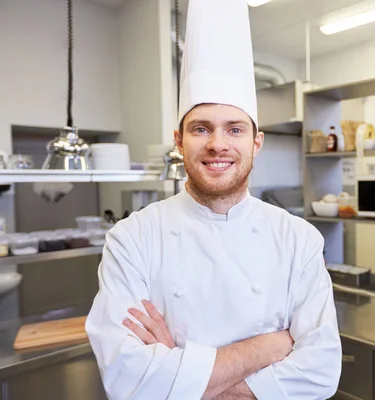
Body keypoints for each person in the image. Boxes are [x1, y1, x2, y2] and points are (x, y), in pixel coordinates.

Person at [85, 0, 342, 399]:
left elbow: (322, 372)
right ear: (179, 141)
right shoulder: (131, 238)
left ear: (256, 143)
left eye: (235, 129)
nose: (217, 144)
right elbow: (128, 381)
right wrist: (270, 346)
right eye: (201, 128)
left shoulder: (299, 239)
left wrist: (177, 372)